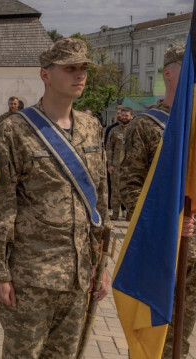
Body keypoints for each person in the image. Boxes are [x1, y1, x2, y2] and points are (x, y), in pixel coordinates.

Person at [0, 38, 110, 358]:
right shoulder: (13, 131)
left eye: (83, 68)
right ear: (46, 75)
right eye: (70, 68)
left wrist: (102, 265)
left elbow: (100, 204)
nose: (80, 75)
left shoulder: (92, 128)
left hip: (79, 278)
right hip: (31, 278)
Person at [120, 45, 196, 359]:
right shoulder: (146, 125)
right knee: (154, 340)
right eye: (188, 67)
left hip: (193, 257)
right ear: (168, 73)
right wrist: (170, 222)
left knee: (182, 337)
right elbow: (130, 188)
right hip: (162, 252)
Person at [105, 106, 132, 220]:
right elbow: (109, 148)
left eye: (126, 115)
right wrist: (110, 164)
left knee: (130, 190)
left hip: (131, 167)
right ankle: (115, 212)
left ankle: (130, 214)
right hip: (116, 165)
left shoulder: (136, 130)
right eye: (122, 115)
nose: (124, 117)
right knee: (115, 190)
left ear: (132, 116)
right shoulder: (114, 131)